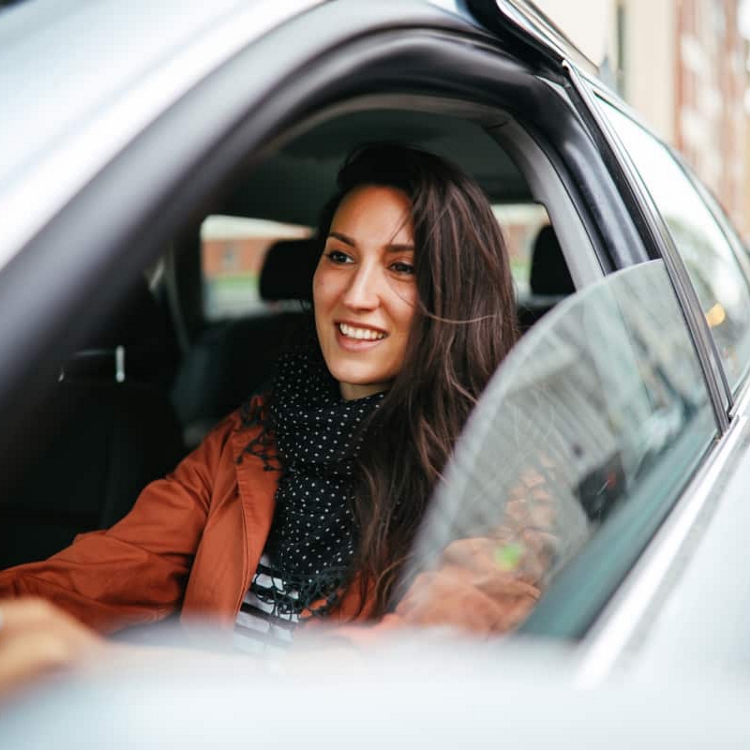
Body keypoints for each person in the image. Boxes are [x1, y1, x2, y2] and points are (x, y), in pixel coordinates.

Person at [0, 143, 539, 686]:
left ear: (457, 297)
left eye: (402, 268)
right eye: (340, 256)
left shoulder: (504, 481)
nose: (356, 295)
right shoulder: (254, 435)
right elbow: (107, 570)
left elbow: (412, 659)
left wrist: (110, 665)